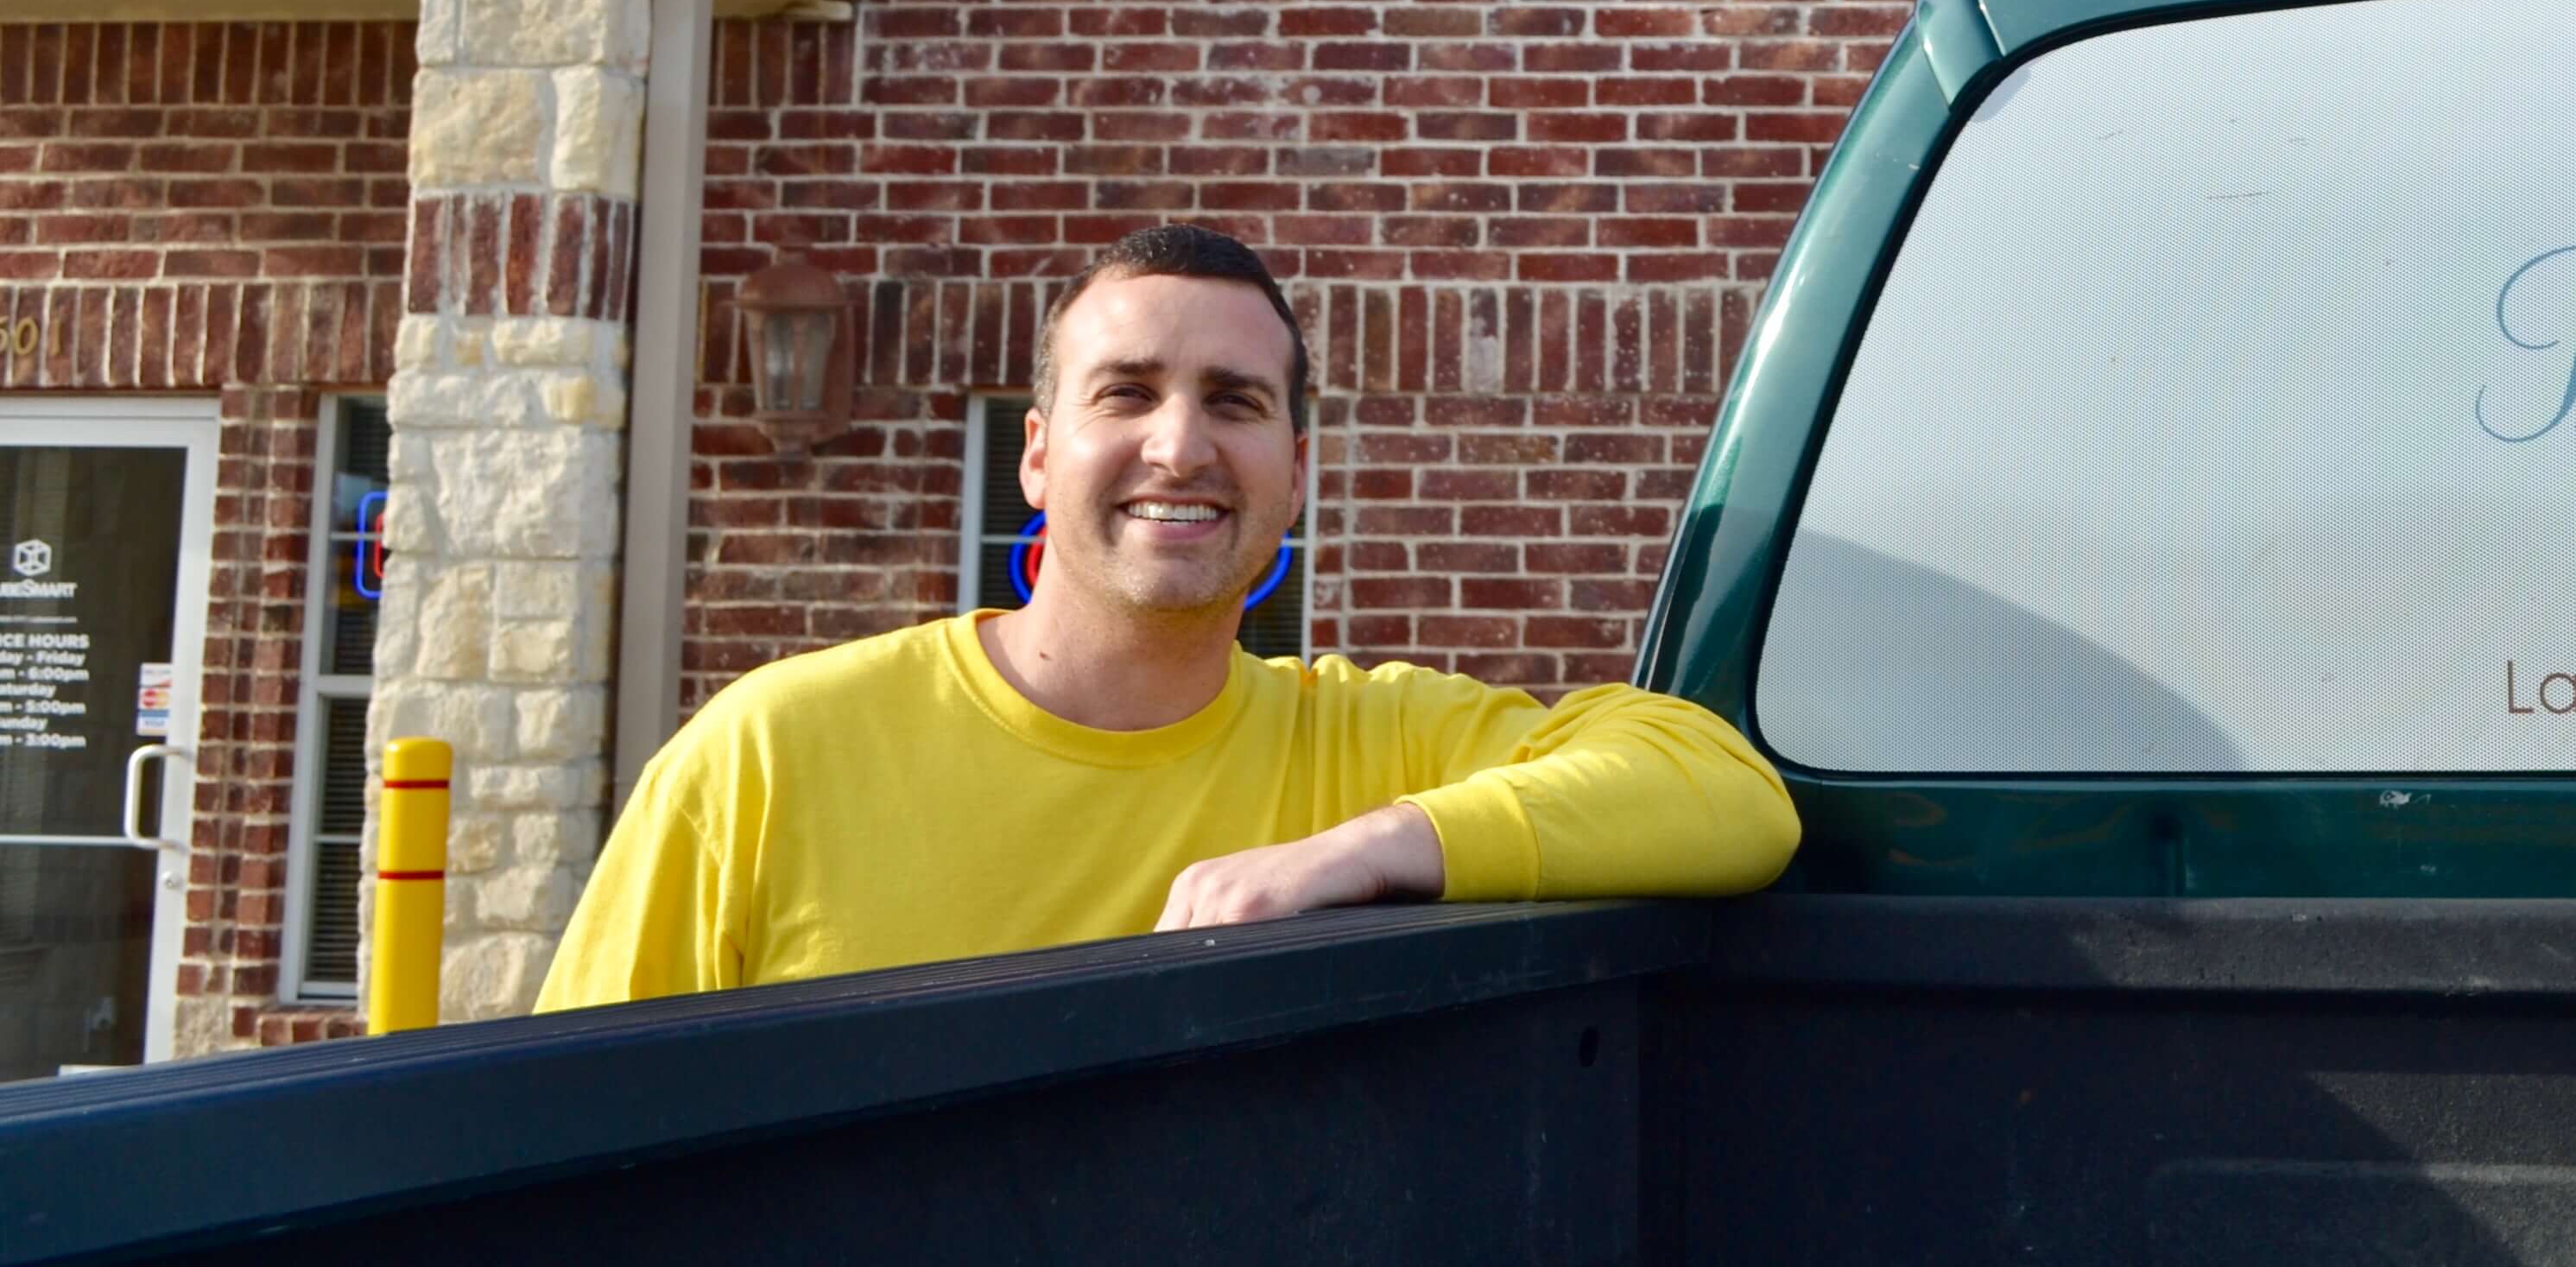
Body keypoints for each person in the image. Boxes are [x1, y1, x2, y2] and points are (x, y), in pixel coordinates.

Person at [537, 225, 1797, 1004]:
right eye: (1127, 394)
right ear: (1036, 455)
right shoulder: (769, 755)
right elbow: (571, 1143)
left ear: (1296, 471)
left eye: (1235, 402)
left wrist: (1362, 855)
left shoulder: (1364, 749)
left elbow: (1726, 793)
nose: (1179, 446)